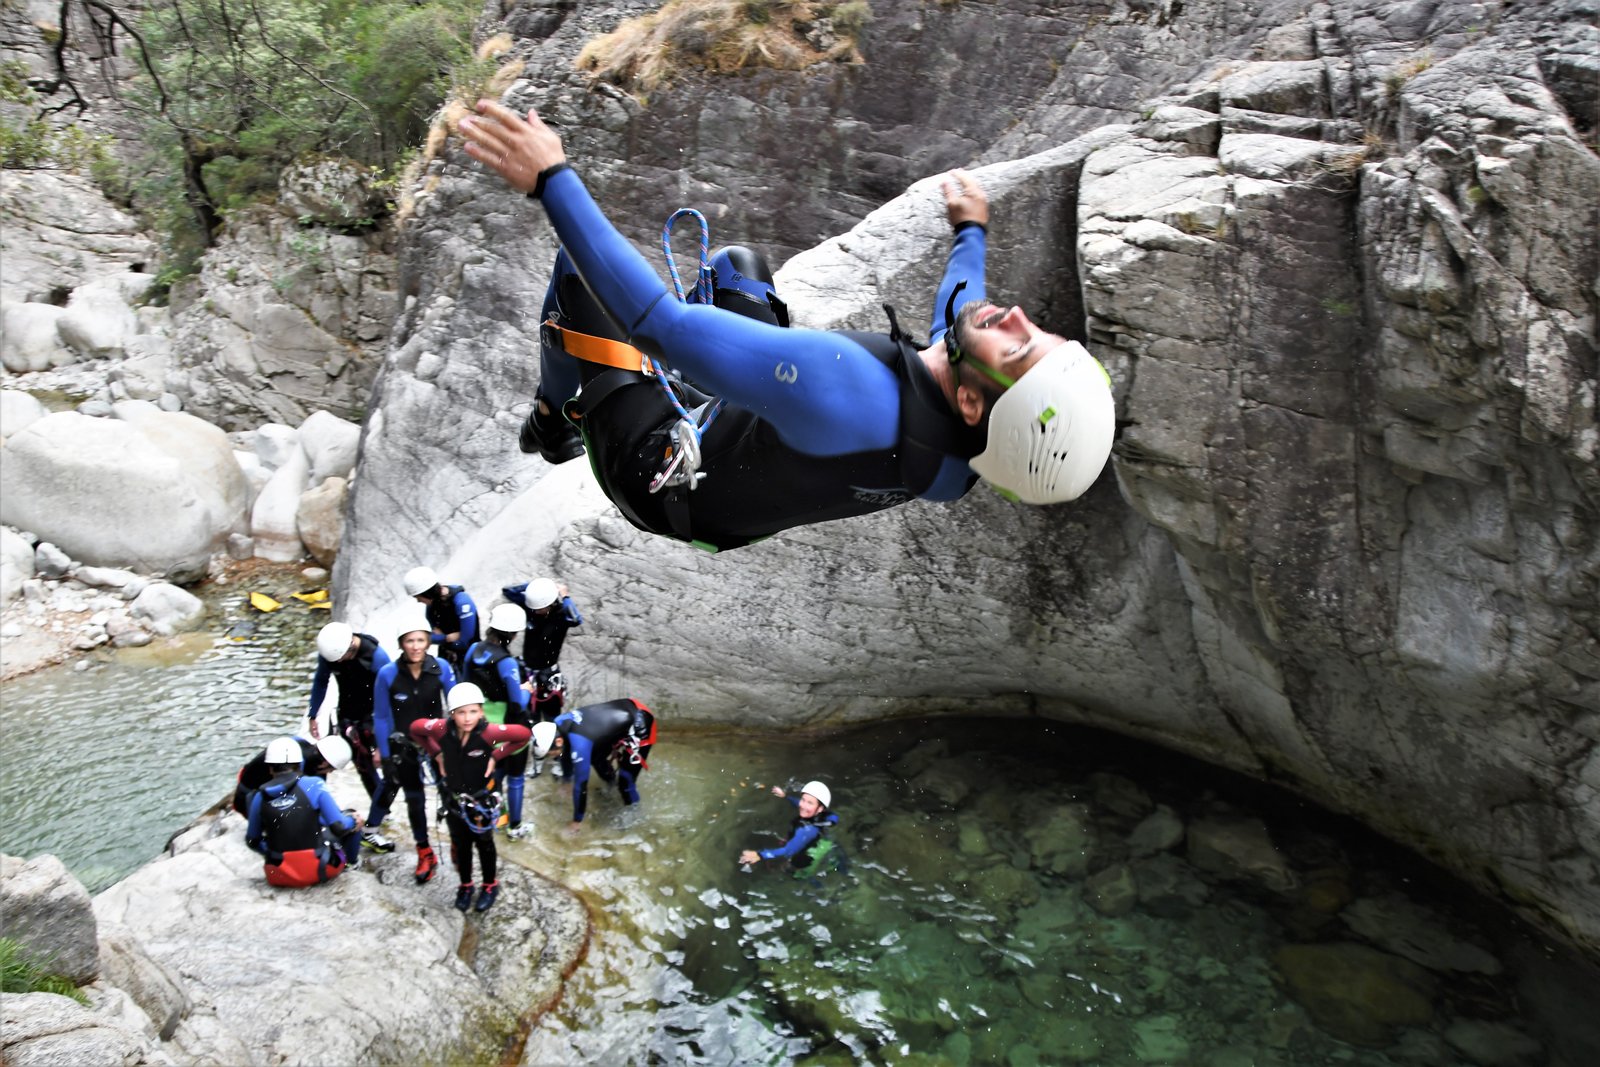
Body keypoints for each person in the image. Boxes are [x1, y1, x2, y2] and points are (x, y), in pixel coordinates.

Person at [457, 99, 1116, 552]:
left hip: (651, 472)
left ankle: (551, 420)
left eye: (1022, 342)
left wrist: (552, 179)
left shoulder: (844, 384)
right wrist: (970, 230)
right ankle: (709, 376)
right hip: (727, 503)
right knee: (737, 266)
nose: (1020, 317)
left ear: (974, 401)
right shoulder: (963, 455)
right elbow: (962, 326)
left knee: (580, 269)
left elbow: (658, 324)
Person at [410, 683, 531, 912]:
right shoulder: (440, 729)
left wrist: (496, 755)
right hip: (455, 800)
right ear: (452, 713)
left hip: (480, 800)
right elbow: (415, 728)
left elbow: (523, 735)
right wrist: (436, 754)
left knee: (485, 844)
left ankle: (489, 884)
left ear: (481, 712)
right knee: (461, 844)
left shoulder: (490, 733)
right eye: (461, 712)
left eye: (473, 711)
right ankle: (466, 885)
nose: (467, 718)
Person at [368, 610, 456, 884]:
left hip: (437, 742)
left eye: (420, 640)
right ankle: (423, 849)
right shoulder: (388, 674)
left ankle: (457, 842)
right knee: (414, 798)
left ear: (428, 641)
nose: (416, 646)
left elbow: (455, 706)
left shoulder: (441, 667)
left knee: (450, 792)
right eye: (409, 641)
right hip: (404, 744)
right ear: (401, 644)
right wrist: (384, 751)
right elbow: (381, 716)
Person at [308, 622, 394, 855]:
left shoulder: (375, 656)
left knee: (378, 765)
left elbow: (389, 693)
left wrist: (382, 739)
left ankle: (381, 809)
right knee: (362, 766)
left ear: (349, 649)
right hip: (347, 714)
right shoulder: (331, 653)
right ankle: (382, 809)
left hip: (373, 715)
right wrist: (313, 713)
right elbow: (321, 680)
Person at [244, 736, 364, 888]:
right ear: (300, 763)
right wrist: (354, 820)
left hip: (279, 876)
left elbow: (252, 841)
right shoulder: (314, 784)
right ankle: (351, 864)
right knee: (349, 816)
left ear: (270, 768)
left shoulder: (259, 797)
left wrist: (271, 851)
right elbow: (339, 826)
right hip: (320, 869)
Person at [463, 603, 535, 838]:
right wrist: (527, 689)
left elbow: (464, 686)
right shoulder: (507, 662)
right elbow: (517, 703)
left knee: (495, 771)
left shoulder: (473, 650)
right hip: (510, 728)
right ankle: (514, 827)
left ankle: (493, 815)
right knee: (515, 777)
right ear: (513, 634)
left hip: (482, 728)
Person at [501, 576, 581, 776]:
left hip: (549, 675)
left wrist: (565, 595)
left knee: (553, 719)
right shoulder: (531, 607)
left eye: (540, 608)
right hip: (529, 673)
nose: (536, 612)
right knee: (533, 720)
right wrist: (533, 587)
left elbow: (576, 618)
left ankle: (557, 759)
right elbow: (508, 591)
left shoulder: (561, 614)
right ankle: (537, 760)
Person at [536, 698, 655, 829]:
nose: (550, 756)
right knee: (596, 759)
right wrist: (566, 780)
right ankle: (611, 787)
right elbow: (564, 751)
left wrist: (577, 822)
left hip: (640, 721)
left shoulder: (579, 745)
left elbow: (581, 786)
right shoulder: (558, 724)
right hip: (624, 708)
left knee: (625, 781)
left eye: (549, 753)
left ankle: (635, 816)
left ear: (557, 742)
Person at [232, 734, 353, 816]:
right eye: (331, 769)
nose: (330, 772)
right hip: (247, 799)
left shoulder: (300, 744)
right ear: (324, 763)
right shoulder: (295, 766)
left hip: (249, 786)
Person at [739, 781, 840, 879]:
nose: (803, 805)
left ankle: (794, 874)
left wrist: (760, 855)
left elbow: (787, 851)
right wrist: (785, 796)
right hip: (814, 841)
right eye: (803, 799)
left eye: (809, 803)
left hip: (809, 854)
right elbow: (799, 804)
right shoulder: (818, 815)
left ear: (820, 808)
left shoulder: (807, 830)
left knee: (789, 867)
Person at [403, 566, 478, 670]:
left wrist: (442, 638)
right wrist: (447, 638)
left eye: (419, 597)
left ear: (427, 593)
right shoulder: (431, 607)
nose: (418, 601)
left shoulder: (461, 602)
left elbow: (465, 641)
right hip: (449, 659)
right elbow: (428, 637)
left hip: (472, 658)